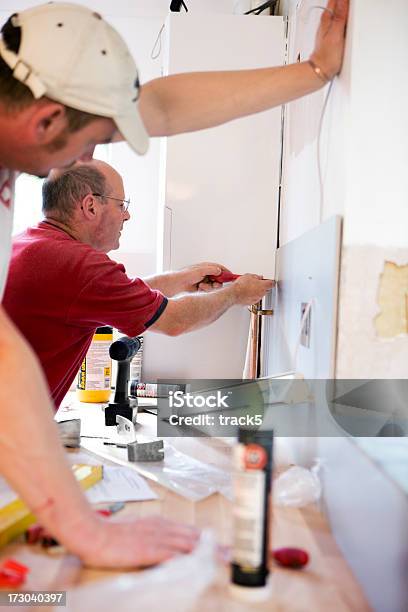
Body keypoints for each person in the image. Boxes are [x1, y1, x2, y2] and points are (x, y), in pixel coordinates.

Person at [0, 1, 348, 568]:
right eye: (92, 142)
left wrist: (314, 71)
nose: (87, 157)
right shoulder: (64, 256)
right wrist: (88, 533)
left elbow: (160, 106)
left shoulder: (44, 239)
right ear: (44, 122)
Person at [3, 159, 272, 408]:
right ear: (90, 206)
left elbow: (110, 294)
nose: (127, 216)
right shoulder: (79, 265)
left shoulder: (25, 245)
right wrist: (236, 294)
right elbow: (175, 321)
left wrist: (180, 279)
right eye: (121, 205)